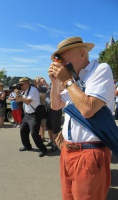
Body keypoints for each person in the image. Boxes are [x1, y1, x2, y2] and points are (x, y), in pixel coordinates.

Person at [48, 36, 115, 200]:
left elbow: (87, 109)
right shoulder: (75, 79)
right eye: (58, 59)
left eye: (63, 57)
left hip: (90, 153)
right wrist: (56, 82)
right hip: (68, 151)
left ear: (82, 53)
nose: (60, 62)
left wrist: (67, 81)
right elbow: (55, 105)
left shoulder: (100, 70)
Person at [15, 77, 47, 157]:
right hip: (27, 114)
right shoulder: (23, 91)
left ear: (27, 84)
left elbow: (28, 102)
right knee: (23, 130)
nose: (20, 86)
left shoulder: (33, 90)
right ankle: (27, 146)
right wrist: (17, 94)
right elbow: (17, 100)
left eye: (22, 84)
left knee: (34, 133)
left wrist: (19, 95)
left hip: (34, 115)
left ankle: (43, 149)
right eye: (20, 84)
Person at [45, 85, 62, 151]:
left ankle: (55, 144)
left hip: (56, 110)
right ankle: (51, 140)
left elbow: (55, 92)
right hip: (49, 110)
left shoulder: (58, 86)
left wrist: (45, 83)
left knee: (55, 128)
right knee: (49, 126)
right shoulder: (49, 86)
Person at [35, 77, 49, 141]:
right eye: (38, 80)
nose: (39, 81)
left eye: (39, 80)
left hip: (42, 108)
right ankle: (38, 136)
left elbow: (49, 89)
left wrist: (45, 83)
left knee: (42, 124)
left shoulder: (43, 88)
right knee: (36, 124)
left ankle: (42, 137)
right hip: (35, 108)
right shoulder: (33, 89)